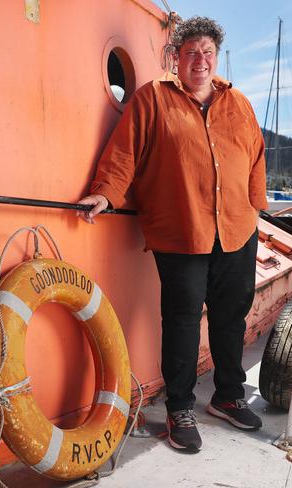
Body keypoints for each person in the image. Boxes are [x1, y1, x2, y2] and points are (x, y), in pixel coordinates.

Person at [77, 16, 267, 453]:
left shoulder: (238, 103)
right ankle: (180, 407)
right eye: (191, 53)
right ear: (176, 58)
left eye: (207, 53)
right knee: (182, 319)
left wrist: (257, 203)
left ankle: (227, 396)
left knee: (231, 315)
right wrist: (106, 193)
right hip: (182, 229)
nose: (199, 60)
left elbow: (256, 153)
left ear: (216, 58)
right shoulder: (153, 100)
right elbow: (125, 151)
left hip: (237, 228)